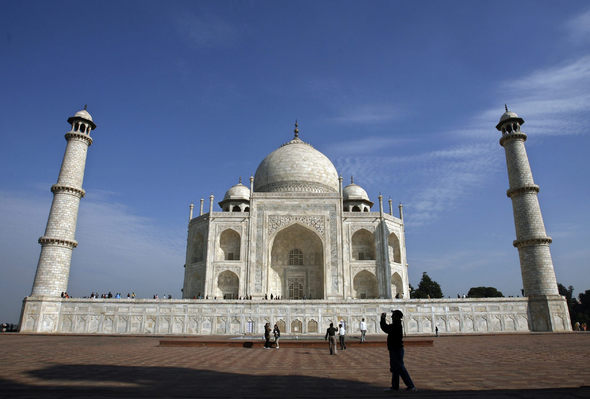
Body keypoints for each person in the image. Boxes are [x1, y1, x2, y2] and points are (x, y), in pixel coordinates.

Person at [380, 310, 417, 392]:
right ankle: (395, 387)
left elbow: (385, 328)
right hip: (395, 349)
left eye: (393, 315)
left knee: (400, 368)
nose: (392, 316)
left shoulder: (396, 325)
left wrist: (382, 319)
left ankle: (411, 386)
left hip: (396, 349)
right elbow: (386, 328)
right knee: (395, 368)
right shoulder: (396, 325)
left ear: (396, 317)